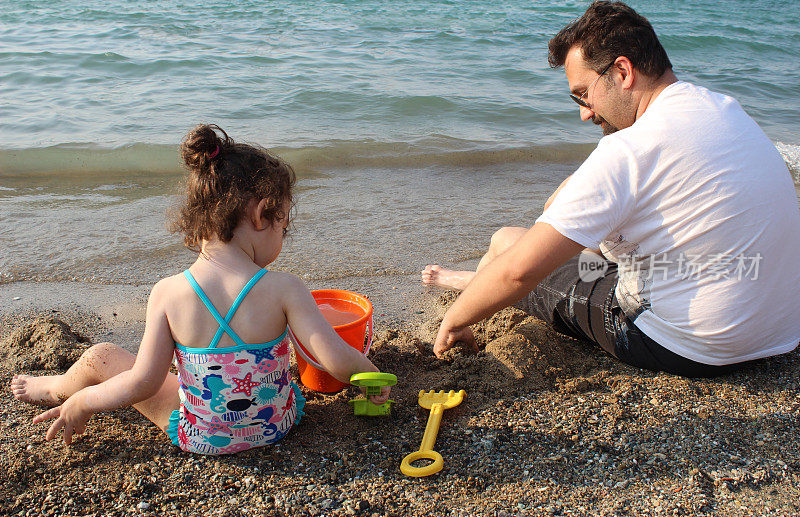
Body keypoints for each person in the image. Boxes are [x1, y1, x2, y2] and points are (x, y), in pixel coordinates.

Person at [422, 1, 800, 377]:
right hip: (779, 332)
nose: (584, 112)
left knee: (507, 242)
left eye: (583, 93)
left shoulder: (629, 149)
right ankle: (477, 284)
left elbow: (519, 273)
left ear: (622, 71)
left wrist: (455, 321)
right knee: (589, 239)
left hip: (692, 344)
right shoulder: (725, 110)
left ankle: (472, 288)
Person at [11, 124, 390, 454]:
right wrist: (373, 377)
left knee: (104, 355)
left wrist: (88, 402)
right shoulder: (285, 288)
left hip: (202, 437)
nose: (283, 237)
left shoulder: (168, 292)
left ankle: (64, 391)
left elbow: (143, 383)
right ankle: (60, 387)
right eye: (283, 226)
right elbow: (335, 358)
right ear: (262, 215)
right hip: (277, 427)